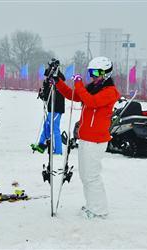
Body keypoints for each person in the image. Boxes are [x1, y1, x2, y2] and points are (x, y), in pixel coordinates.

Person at [55, 56, 120, 219]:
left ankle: (100, 211)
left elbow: (90, 102)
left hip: (96, 140)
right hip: (85, 138)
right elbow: (75, 95)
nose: (93, 76)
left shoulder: (110, 92)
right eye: (91, 72)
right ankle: (92, 205)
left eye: (97, 72)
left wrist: (78, 83)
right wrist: (57, 82)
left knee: (92, 176)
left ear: (106, 73)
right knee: (85, 175)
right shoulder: (94, 87)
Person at [31, 72, 65, 155]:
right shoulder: (50, 83)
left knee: (54, 129)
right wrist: (43, 93)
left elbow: (50, 95)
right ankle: (41, 145)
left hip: (56, 110)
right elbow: (46, 96)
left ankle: (58, 150)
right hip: (51, 109)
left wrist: (45, 93)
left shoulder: (58, 82)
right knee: (46, 126)